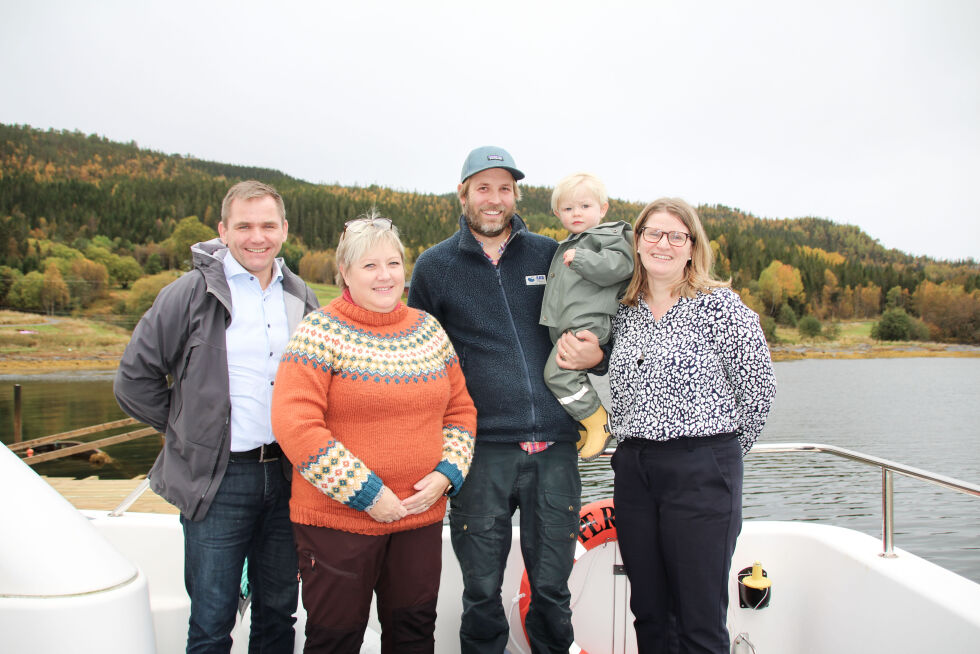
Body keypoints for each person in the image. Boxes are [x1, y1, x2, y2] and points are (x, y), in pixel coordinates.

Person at [408, 146, 601, 653]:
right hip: (479, 452)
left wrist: (597, 353)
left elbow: (591, 325)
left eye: (504, 188)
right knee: (480, 594)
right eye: (483, 188)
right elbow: (417, 358)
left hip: (557, 448)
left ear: (516, 194)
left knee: (554, 593)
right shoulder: (434, 267)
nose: (494, 200)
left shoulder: (550, 254)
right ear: (464, 193)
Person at [114, 180, 319, 653]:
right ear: (223, 231)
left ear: (284, 230)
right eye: (244, 225)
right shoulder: (189, 293)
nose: (257, 237)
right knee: (211, 621)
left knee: (279, 615)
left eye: (268, 225)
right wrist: (189, 430)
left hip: (288, 478)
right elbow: (133, 380)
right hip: (219, 479)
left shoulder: (301, 296)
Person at [571, 197, 776, 654]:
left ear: (691, 247)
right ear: (638, 243)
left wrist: (715, 458)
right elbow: (617, 367)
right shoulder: (622, 311)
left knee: (698, 618)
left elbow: (759, 392)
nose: (663, 243)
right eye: (653, 234)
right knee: (649, 613)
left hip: (702, 469)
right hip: (635, 471)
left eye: (676, 236)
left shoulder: (720, 308)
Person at [270, 212, 477, 654]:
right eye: (369, 266)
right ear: (344, 272)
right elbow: (297, 425)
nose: (385, 276)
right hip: (338, 523)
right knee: (335, 637)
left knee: (414, 633)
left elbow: (460, 411)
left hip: (419, 517)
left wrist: (446, 475)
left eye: (394, 263)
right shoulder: (318, 333)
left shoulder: (429, 331)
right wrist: (368, 494)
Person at [540, 172, 633, 461]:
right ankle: (584, 423)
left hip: (589, 323)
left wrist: (582, 258)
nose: (576, 213)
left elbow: (620, 266)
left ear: (602, 209)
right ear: (558, 213)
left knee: (557, 375)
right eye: (568, 209)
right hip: (569, 325)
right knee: (567, 375)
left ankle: (598, 421)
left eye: (585, 206)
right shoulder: (567, 243)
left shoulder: (609, 236)